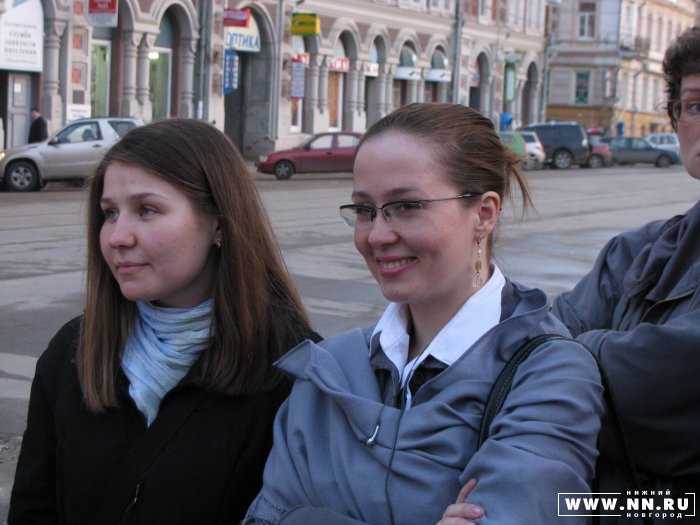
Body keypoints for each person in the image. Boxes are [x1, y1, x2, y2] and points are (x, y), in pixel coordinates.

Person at [244, 103, 604, 525]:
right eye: (364, 210)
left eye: (407, 206)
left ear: (484, 214)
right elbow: (265, 517)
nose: (377, 235)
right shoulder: (331, 367)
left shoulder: (550, 374)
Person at [8, 118, 317, 524]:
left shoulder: (294, 371)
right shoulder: (73, 353)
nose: (118, 236)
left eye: (147, 210)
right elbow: (33, 509)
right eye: (110, 213)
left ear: (218, 222)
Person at [552, 26, 700, 521]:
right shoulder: (637, 250)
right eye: (696, 105)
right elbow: (528, 349)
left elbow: (657, 383)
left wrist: (579, 349)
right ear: (676, 120)